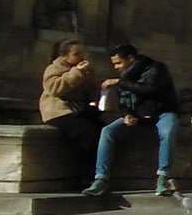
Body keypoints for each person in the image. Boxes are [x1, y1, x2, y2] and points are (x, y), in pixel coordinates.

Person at [83, 44, 182, 197]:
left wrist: (119, 82)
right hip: (138, 115)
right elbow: (123, 100)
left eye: (118, 63)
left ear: (130, 58)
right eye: (114, 64)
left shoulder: (155, 68)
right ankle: (100, 179)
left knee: (167, 132)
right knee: (107, 132)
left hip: (163, 112)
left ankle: (163, 178)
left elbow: (150, 89)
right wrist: (126, 114)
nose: (116, 67)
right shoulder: (124, 75)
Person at [40, 40, 104, 183]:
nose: (81, 57)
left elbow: (92, 94)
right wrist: (77, 73)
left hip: (79, 110)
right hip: (59, 111)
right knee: (86, 133)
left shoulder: (83, 69)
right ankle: (83, 176)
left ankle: (100, 174)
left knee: (103, 130)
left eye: (83, 53)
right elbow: (55, 89)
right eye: (76, 54)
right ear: (64, 56)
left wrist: (91, 80)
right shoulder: (54, 68)